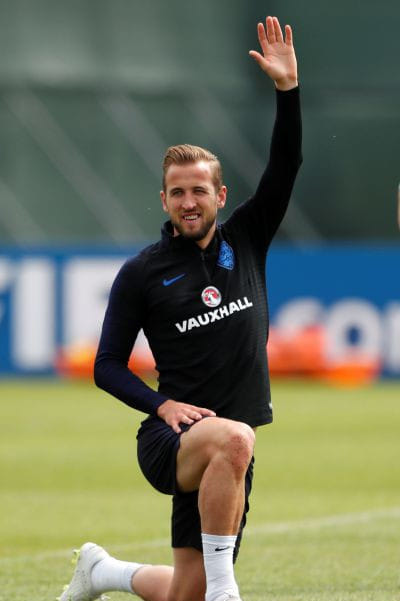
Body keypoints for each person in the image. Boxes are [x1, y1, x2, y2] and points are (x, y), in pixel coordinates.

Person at [59, 15, 302, 601]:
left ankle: (102, 572)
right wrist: (161, 405)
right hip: (175, 441)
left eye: (199, 190)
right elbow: (107, 365)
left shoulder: (247, 238)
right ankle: (226, 593)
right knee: (235, 441)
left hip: (228, 454)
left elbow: (285, 166)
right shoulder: (142, 272)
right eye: (177, 192)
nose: (188, 202)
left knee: (183, 593)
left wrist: (287, 91)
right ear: (164, 199)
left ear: (220, 195)